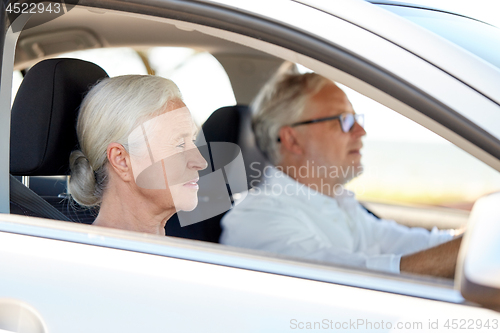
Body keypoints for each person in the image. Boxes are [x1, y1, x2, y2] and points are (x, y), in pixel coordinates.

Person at [220, 72, 462, 277]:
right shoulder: (259, 220)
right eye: (344, 120)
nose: (361, 131)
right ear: (292, 139)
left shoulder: (337, 203)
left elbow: (419, 245)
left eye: (356, 119)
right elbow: (356, 280)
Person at [69, 75, 207, 235]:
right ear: (121, 160)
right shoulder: (87, 259)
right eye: (179, 144)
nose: (200, 162)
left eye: (193, 141)